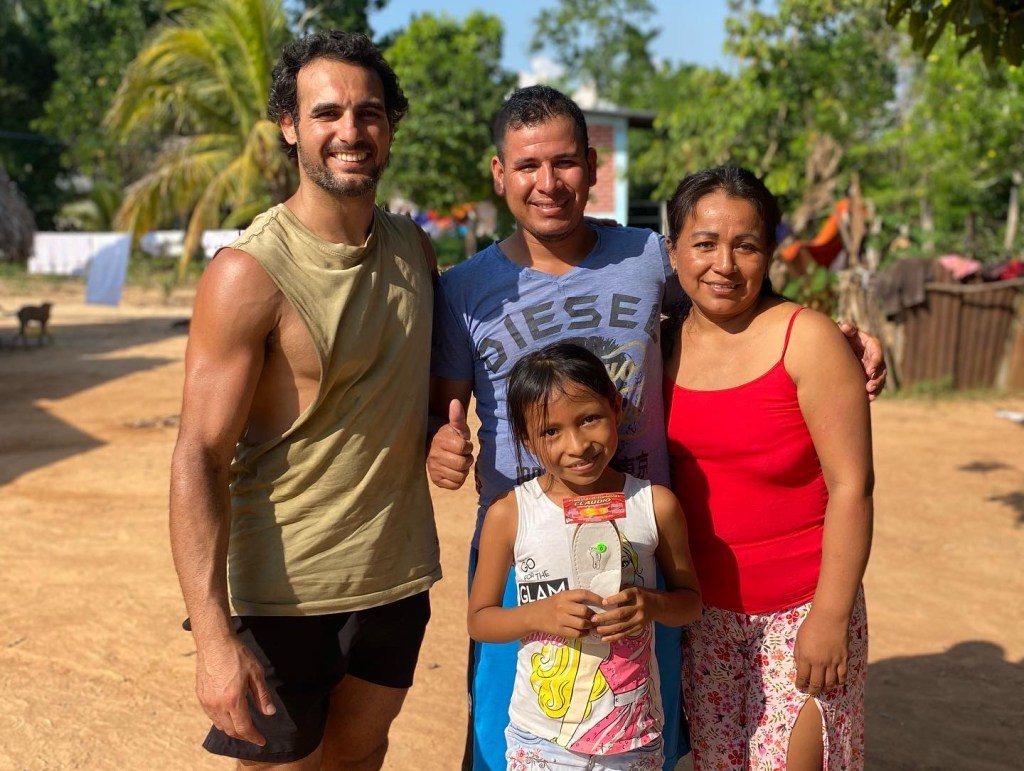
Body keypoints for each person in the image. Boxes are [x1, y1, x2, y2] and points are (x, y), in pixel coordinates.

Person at [428, 85, 885, 771]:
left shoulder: (645, 256)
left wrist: (838, 336)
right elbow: (445, 409)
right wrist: (439, 442)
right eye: (526, 165)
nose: (548, 182)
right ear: (499, 174)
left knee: (639, 737)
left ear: (591, 166)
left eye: (564, 162)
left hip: (642, 550)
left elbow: (728, 295)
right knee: (514, 744)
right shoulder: (463, 288)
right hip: (524, 551)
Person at [168, 31, 440, 769]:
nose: (351, 131)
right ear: (290, 126)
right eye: (327, 113)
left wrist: (442, 433)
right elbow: (197, 456)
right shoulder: (247, 273)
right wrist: (213, 638)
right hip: (282, 595)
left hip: (394, 577)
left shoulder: (414, 249)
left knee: (362, 757)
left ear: (390, 125)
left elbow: (405, 395)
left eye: (369, 112)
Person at [663, 166, 874, 770]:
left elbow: (852, 486)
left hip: (802, 610)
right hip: (703, 620)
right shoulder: (658, 346)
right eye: (705, 243)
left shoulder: (807, 339)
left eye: (746, 245)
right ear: (673, 251)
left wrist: (830, 617)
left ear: (770, 253)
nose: (724, 265)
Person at [468, 342, 702, 771]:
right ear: (526, 439)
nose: (576, 445)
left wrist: (651, 604)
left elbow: (690, 603)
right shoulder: (510, 515)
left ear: (616, 407)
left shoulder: (655, 505)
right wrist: (539, 614)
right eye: (550, 432)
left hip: (634, 738)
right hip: (540, 741)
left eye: (589, 418)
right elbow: (480, 620)